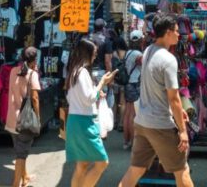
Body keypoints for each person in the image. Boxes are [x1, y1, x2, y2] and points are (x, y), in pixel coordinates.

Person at [119, 14, 194, 187]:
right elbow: (174, 98)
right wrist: (182, 131)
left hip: (143, 122)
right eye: (176, 31)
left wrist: (175, 110)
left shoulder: (148, 51)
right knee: (182, 170)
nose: (179, 34)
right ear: (168, 32)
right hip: (161, 125)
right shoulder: (168, 59)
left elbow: (156, 88)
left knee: (135, 170)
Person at [65, 38, 117, 187]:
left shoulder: (73, 72)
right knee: (102, 162)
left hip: (75, 121)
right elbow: (89, 99)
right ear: (87, 54)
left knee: (82, 165)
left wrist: (96, 91)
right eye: (94, 53)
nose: (95, 56)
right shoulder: (82, 73)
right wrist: (102, 83)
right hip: (85, 123)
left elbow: (75, 97)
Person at [5, 47, 41, 187]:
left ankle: (25, 177)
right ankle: (15, 183)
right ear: (34, 60)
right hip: (25, 120)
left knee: (20, 150)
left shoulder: (13, 71)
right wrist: (38, 117)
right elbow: (35, 99)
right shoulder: (32, 74)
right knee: (21, 154)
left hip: (11, 118)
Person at [122, 30, 144, 150]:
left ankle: (126, 141)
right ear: (140, 40)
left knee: (127, 113)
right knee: (133, 114)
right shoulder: (138, 54)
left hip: (128, 84)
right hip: (135, 84)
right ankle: (132, 141)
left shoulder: (128, 52)